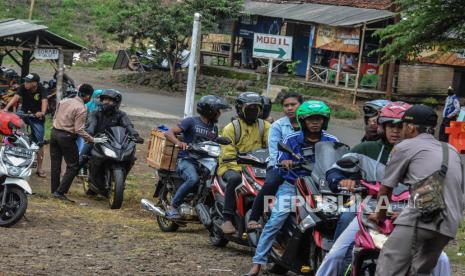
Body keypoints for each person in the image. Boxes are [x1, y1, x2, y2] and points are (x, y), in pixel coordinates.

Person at [317, 104, 452, 276]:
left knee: (441, 260)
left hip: (408, 211)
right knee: (335, 254)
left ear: (409, 128)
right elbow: (336, 169)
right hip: (368, 208)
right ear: (382, 126)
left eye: (399, 126)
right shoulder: (366, 148)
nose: (395, 131)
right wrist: (342, 180)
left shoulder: (423, 154)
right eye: (390, 126)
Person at [245, 100, 339, 276]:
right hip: (293, 185)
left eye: (319, 119)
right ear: (303, 121)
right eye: (310, 119)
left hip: (321, 188)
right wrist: (285, 161)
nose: (315, 122)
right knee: (276, 219)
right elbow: (281, 157)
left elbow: (339, 160)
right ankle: (257, 263)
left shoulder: (332, 140)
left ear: (324, 120)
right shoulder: (291, 139)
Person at [369, 104, 463, 276]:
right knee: (420, 271)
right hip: (449, 223)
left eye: (403, 125)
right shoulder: (451, 150)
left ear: (411, 127)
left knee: (389, 266)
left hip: (421, 217)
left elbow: (386, 188)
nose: (400, 129)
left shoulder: (406, 146)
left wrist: (380, 214)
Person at [163, 95, 230, 219]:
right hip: (187, 159)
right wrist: (179, 142)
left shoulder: (213, 127)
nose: (219, 114)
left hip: (206, 161)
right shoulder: (191, 121)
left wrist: (221, 140)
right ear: (209, 111)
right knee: (193, 179)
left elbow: (211, 142)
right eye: (217, 111)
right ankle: (172, 206)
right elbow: (169, 132)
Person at [246, 91, 303, 231]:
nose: (289, 108)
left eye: (293, 104)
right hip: (280, 165)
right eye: (286, 105)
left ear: (301, 105)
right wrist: (284, 162)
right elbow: (274, 151)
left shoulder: (309, 123)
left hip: (304, 166)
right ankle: (254, 217)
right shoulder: (277, 126)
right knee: (271, 183)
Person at [218, 92, 271, 234]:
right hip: (232, 166)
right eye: (250, 108)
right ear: (240, 108)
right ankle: (227, 218)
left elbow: (272, 145)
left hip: (257, 167)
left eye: (256, 108)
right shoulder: (231, 128)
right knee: (235, 179)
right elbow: (227, 152)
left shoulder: (265, 126)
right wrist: (240, 168)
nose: (253, 111)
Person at [50, 84, 100, 201]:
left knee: (55, 164)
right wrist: (92, 139)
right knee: (73, 166)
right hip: (66, 137)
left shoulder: (64, 101)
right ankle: (60, 192)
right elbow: (79, 129)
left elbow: (55, 117)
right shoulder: (82, 108)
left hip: (54, 133)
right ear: (88, 96)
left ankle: (54, 190)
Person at [84, 89, 144, 185]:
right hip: (96, 140)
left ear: (116, 102)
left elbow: (128, 125)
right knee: (80, 159)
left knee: (131, 158)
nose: (106, 102)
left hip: (114, 142)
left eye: (110, 100)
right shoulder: (96, 113)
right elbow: (91, 124)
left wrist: (135, 135)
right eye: (104, 100)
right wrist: (89, 134)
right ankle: (76, 178)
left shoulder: (121, 115)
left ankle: (121, 179)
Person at [2, 73, 48, 177]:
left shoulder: (41, 89)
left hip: (37, 116)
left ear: (35, 83)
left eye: (28, 82)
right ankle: (11, 162)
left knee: (39, 142)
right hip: (24, 113)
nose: (26, 83)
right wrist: (6, 108)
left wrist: (42, 112)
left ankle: (39, 168)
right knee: (15, 135)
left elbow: (44, 101)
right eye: (26, 81)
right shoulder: (23, 87)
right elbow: (16, 97)